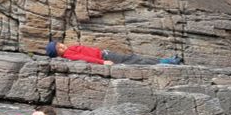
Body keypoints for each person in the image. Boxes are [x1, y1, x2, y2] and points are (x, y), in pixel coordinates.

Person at [45, 40, 182, 65]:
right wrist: (103, 62)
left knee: (134, 58)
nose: (61, 46)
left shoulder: (69, 50)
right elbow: (85, 58)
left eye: (59, 44)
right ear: (58, 54)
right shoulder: (69, 54)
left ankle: (167, 61)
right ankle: (168, 62)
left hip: (105, 54)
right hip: (105, 57)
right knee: (136, 60)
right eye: (58, 49)